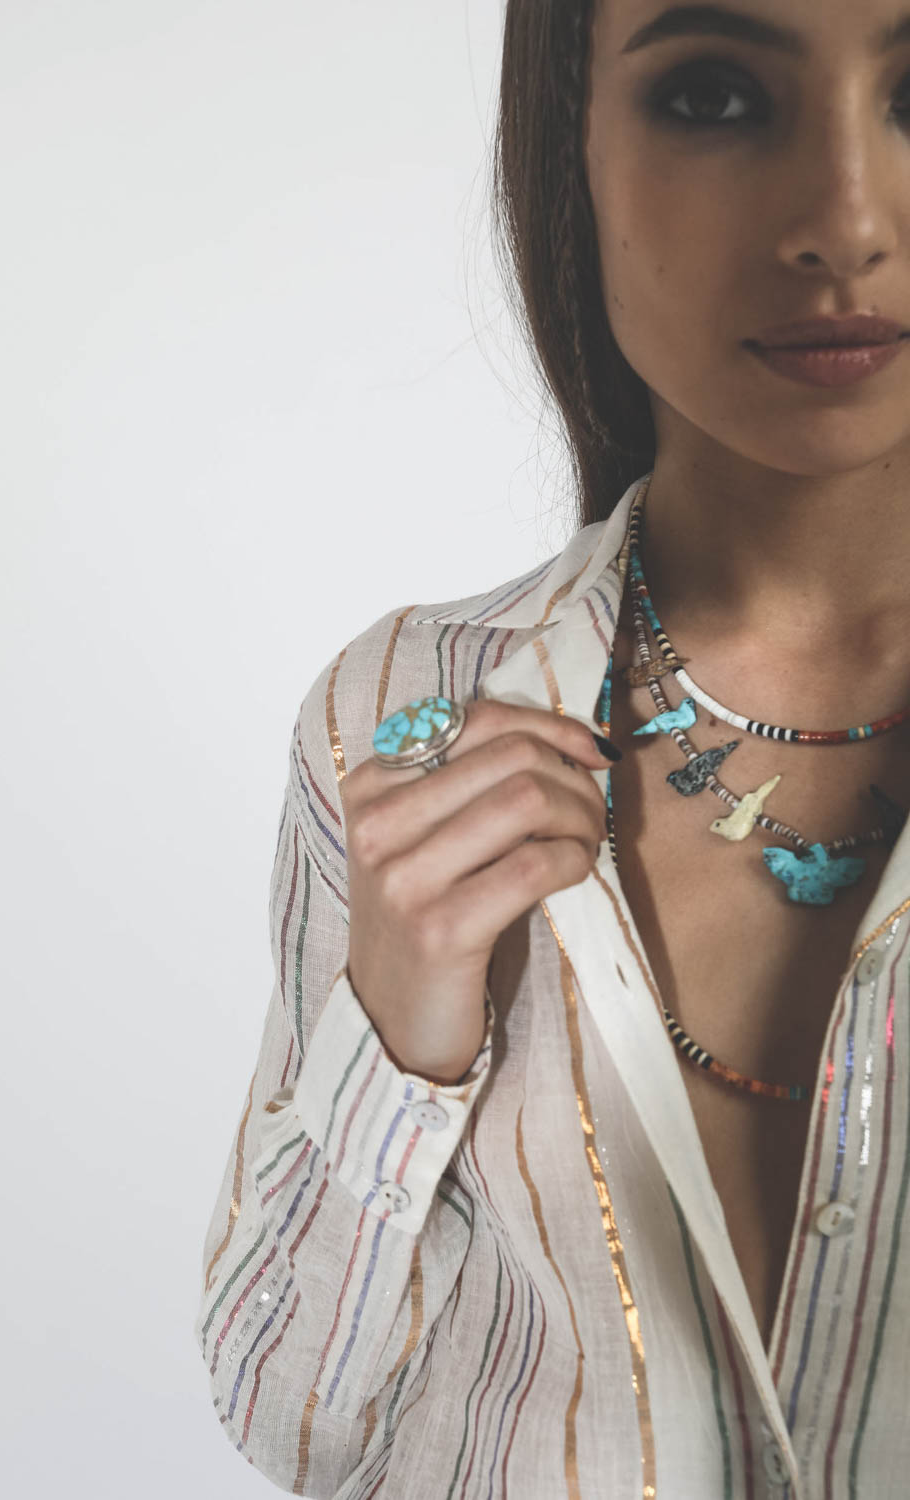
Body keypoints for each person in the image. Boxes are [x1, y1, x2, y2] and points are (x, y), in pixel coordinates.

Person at [195, 1, 910, 1494]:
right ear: (568, 146)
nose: (844, 220)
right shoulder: (399, 709)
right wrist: (400, 1032)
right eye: (715, 96)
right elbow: (289, 1414)